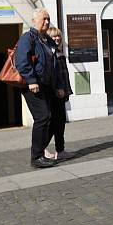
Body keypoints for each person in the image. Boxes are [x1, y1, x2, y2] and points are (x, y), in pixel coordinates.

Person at [15, 8, 62, 168]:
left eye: (48, 19)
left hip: (47, 86)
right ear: (35, 21)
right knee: (42, 117)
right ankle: (36, 157)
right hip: (33, 85)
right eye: (44, 19)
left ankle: (40, 152)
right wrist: (31, 80)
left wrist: (58, 86)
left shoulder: (47, 40)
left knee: (51, 118)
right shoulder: (28, 38)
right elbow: (21, 61)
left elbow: (55, 65)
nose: (47, 22)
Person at [45, 27, 75, 161]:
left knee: (59, 122)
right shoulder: (50, 53)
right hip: (55, 94)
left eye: (58, 36)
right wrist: (57, 88)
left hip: (61, 93)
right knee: (55, 123)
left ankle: (58, 150)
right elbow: (52, 74)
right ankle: (44, 149)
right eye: (54, 36)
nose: (57, 38)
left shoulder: (58, 52)